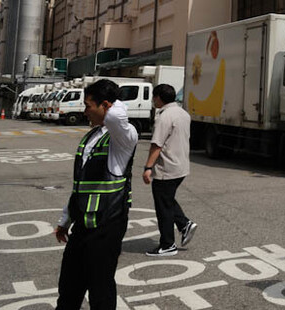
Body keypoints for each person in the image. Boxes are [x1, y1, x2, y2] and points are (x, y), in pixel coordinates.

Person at [53, 79, 138, 310]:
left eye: (88, 105)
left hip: (106, 227)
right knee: (69, 287)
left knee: (100, 290)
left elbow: (114, 118)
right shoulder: (91, 137)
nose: (84, 111)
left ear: (106, 105)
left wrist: (115, 101)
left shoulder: (124, 137)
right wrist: (65, 220)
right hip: (82, 226)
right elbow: (80, 185)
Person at [142, 83, 196, 257]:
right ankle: (184, 224)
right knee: (167, 199)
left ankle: (167, 245)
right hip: (181, 166)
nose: (153, 100)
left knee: (163, 206)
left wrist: (148, 167)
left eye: (154, 97)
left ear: (158, 97)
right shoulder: (183, 113)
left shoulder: (163, 117)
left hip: (167, 168)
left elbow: (157, 145)